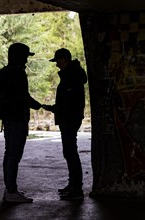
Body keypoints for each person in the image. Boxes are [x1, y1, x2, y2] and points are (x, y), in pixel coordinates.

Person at [0, 43, 42, 203]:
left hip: (9, 119)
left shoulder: (6, 71)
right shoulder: (18, 73)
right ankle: (11, 191)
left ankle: (9, 188)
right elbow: (23, 96)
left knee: (9, 154)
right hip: (17, 119)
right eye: (25, 56)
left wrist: (5, 99)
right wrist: (37, 105)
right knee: (14, 155)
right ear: (19, 56)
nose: (26, 60)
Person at [42, 48, 87, 200]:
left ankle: (77, 189)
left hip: (70, 119)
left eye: (58, 61)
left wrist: (54, 108)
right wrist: (54, 108)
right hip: (68, 118)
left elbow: (69, 103)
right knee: (69, 152)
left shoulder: (72, 76)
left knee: (70, 153)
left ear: (65, 59)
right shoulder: (71, 75)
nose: (56, 65)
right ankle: (73, 185)